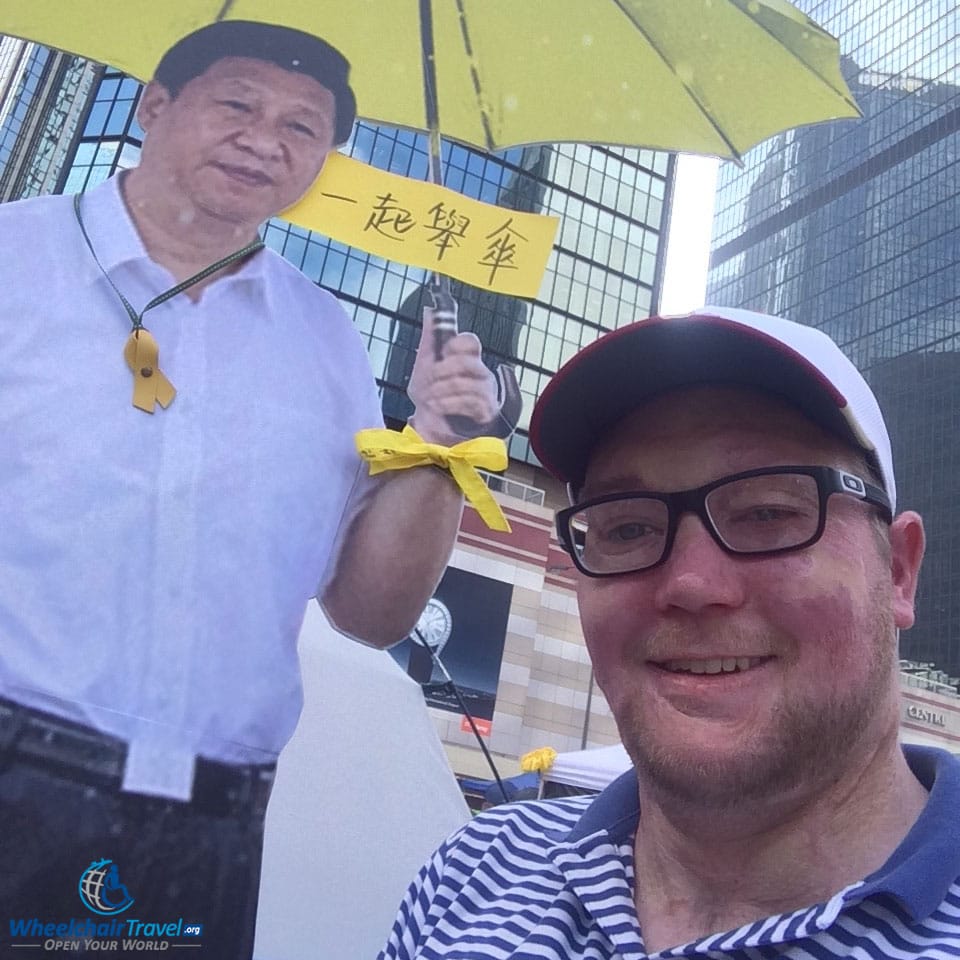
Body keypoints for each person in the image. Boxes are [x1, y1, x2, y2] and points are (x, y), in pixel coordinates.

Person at [0, 20, 503, 958]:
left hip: (213, 817)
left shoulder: (326, 343)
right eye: (238, 104)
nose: (267, 139)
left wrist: (439, 445)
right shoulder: (16, 261)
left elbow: (368, 612)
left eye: (304, 128)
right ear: (155, 106)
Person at [378, 305, 960, 959]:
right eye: (627, 528)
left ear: (900, 572)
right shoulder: (472, 873)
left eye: (768, 513)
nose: (691, 584)